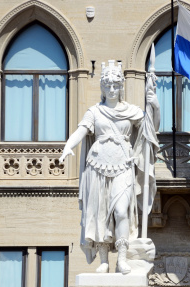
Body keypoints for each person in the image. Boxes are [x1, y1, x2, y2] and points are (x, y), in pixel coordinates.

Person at [59, 60, 160, 274]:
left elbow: (151, 130)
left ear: (121, 86)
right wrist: (68, 146)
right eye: (108, 86)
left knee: (122, 211)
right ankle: (103, 260)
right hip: (97, 166)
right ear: (102, 88)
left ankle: (122, 258)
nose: (112, 90)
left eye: (116, 85)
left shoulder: (132, 111)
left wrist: (155, 106)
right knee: (100, 214)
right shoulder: (94, 112)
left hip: (123, 165)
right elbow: (81, 131)